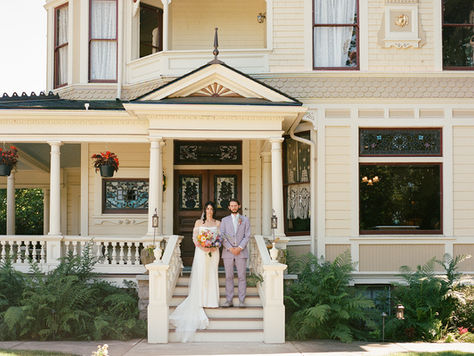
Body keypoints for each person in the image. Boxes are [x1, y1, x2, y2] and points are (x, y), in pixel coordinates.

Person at [169, 201, 220, 342]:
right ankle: (201, 298)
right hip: (201, 252)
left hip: (214, 252)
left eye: (211, 209)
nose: (209, 211)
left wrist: (214, 246)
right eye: (207, 208)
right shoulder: (199, 222)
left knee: (211, 275)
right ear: (205, 210)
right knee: (201, 275)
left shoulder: (218, 223)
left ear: (214, 211)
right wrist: (204, 247)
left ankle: (211, 300)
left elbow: (220, 238)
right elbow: (194, 238)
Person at [219, 198, 251, 308]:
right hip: (228, 252)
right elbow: (222, 236)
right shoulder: (224, 220)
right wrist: (230, 248)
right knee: (229, 276)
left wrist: (240, 248)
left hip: (241, 253)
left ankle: (242, 300)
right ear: (229, 207)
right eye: (231, 206)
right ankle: (229, 300)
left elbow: (247, 236)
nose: (233, 207)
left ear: (239, 206)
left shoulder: (245, 220)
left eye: (235, 205)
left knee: (242, 276)